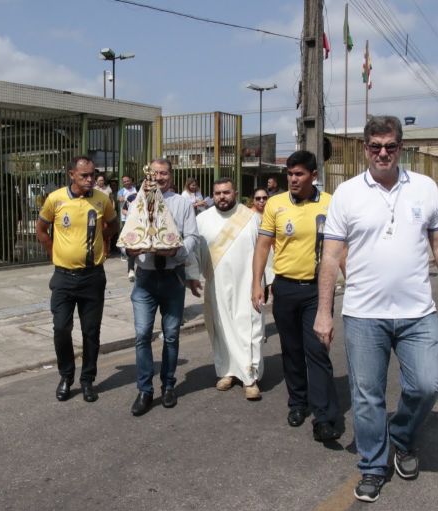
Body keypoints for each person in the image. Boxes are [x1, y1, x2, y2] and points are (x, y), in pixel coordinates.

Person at [313, 115, 438, 503]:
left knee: (426, 384)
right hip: (364, 314)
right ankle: (373, 465)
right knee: (367, 396)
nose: (383, 153)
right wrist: (325, 311)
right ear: (365, 148)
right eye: (375, 146)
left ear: (401, 147)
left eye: (390, 146)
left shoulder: (425, 188)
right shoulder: (346, 194)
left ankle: (400, 435)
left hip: (418, 311)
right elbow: (330, 257)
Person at [252, 150, 341, 444]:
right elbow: (263, 247)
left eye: (299, 174)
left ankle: (324, 417)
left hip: (318, 289)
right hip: (285, 287)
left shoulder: (330, 204)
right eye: (290, 174)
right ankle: (297, 403)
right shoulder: (275, 205)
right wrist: (258, 283)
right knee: (291, 350)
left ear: (314, 175)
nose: (292, 179)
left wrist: (355, 282)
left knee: (317, 350)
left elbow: (342, 249)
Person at [36, 155, 119, 403]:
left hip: (93, 277)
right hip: (63, 278)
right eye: (84, 175)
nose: (90, 179)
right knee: (61, 328)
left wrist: (102, 240)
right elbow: (41, 228)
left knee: (90, 332)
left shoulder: (102, 199)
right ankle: (66, 376)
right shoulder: (56, 199)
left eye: (93, 174)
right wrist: (53, 252)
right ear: (71, 174)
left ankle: (87, 380)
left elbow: (114, 225)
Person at [127, 158, 199, 416]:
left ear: (171, 175)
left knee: (171, 335)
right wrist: (129, 249)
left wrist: (177, 252)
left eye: (164, 173)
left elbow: (193, 237)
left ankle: (168, 385)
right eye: (155, 173)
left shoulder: (182, 204)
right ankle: (145, 390)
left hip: (172, 278)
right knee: (142, 335)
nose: (159, 177)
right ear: (149, 175)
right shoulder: (138, 202)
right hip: (145, 279)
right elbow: (127, 235)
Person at [187, 178, 268, 400]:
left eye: (226, 192)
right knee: (221, 328)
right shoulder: (202, 220)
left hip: (248, 285)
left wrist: (264, 282)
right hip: (217, 286)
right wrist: (193, 277)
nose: (222, 197)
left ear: (236, 193)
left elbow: (264, 251)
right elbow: (193, 252)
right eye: (217, 193)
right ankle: (226, 372)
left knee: (249, 329)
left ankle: (250, 378)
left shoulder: (251, 218)